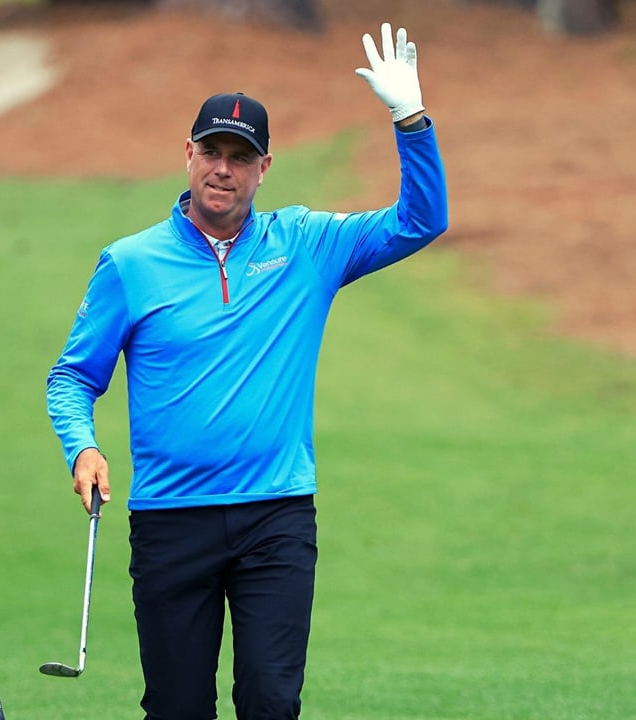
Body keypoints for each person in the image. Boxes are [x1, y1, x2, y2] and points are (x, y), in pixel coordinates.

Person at [46, 23, 448, 720]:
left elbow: (421, 220)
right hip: (171, 521)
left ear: (264, 168)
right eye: (211, 151)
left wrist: (409, 120)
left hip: (276, 516)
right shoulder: (131, 263)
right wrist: (81, 444)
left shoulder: (305, 245)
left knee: (270, 702)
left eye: (240, 156)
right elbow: (73, 377)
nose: (222, 169)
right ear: (188, 154)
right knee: (176, 708)